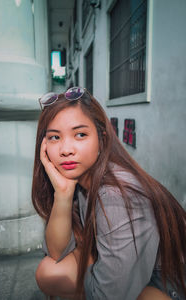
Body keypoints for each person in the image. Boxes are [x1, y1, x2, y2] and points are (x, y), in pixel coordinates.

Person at [32, 87, 186, 300]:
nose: (66, 149)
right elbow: (57, 253)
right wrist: (63, 194)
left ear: (102, 139)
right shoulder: (77, 180)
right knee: (49, 272)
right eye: (55, 137)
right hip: (132, 276)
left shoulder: (116, 196)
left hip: (168, 284)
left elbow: (109, 296)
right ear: (44, 145)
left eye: (80, 134)